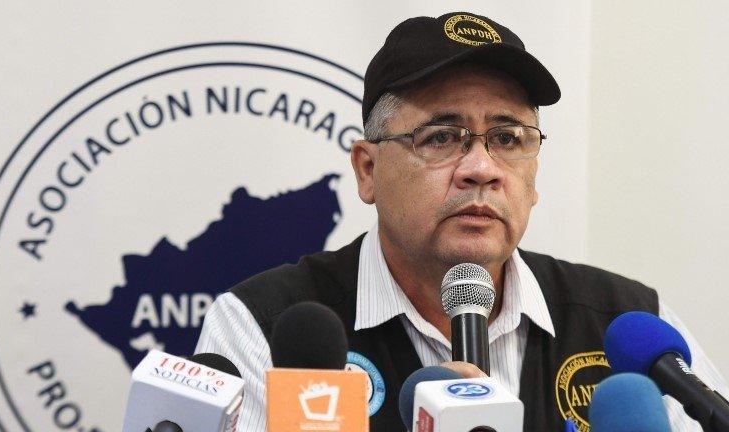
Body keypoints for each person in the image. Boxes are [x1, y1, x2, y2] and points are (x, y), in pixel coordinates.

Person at [195, 11, 728, 431]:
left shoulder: (634, 327)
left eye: (507, 138)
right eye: (442, 137)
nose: (481, 169)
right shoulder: (262, 327)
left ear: (534, 174)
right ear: (368, 170)